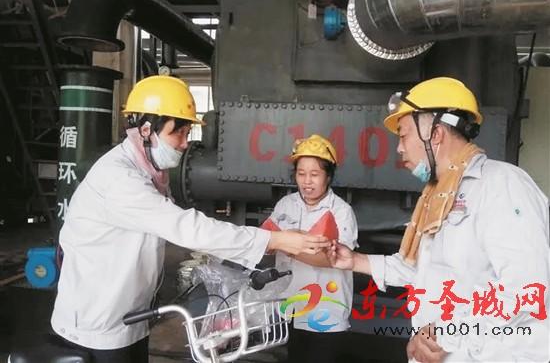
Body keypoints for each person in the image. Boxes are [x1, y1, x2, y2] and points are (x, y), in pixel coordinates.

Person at [50, 75, 329, 363]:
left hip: (130, 317)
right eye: (179, 133)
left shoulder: (152, 171)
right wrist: (275, 240)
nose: (185, 144)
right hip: (97, 323)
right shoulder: (119, 178)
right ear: (146, 130)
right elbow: (186, 227)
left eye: (187, 133)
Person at [329, 77, 550, 362]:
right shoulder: (437, 195)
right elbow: (421, 270)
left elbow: (526, 289)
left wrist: (446, 334)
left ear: (435, 134)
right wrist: (354, 260)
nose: (399, 149)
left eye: (404, 135)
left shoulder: (502, 184)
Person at [261, 134, 358, 363]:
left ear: (328, 176)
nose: (307, 181)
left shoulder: (341, 211)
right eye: (301, 174)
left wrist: (286, 243)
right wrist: (271, 243)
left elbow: (332, 259)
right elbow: (265, 241)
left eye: (315, 175)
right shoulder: (285, 205)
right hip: (290, 306)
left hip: (326, 309)